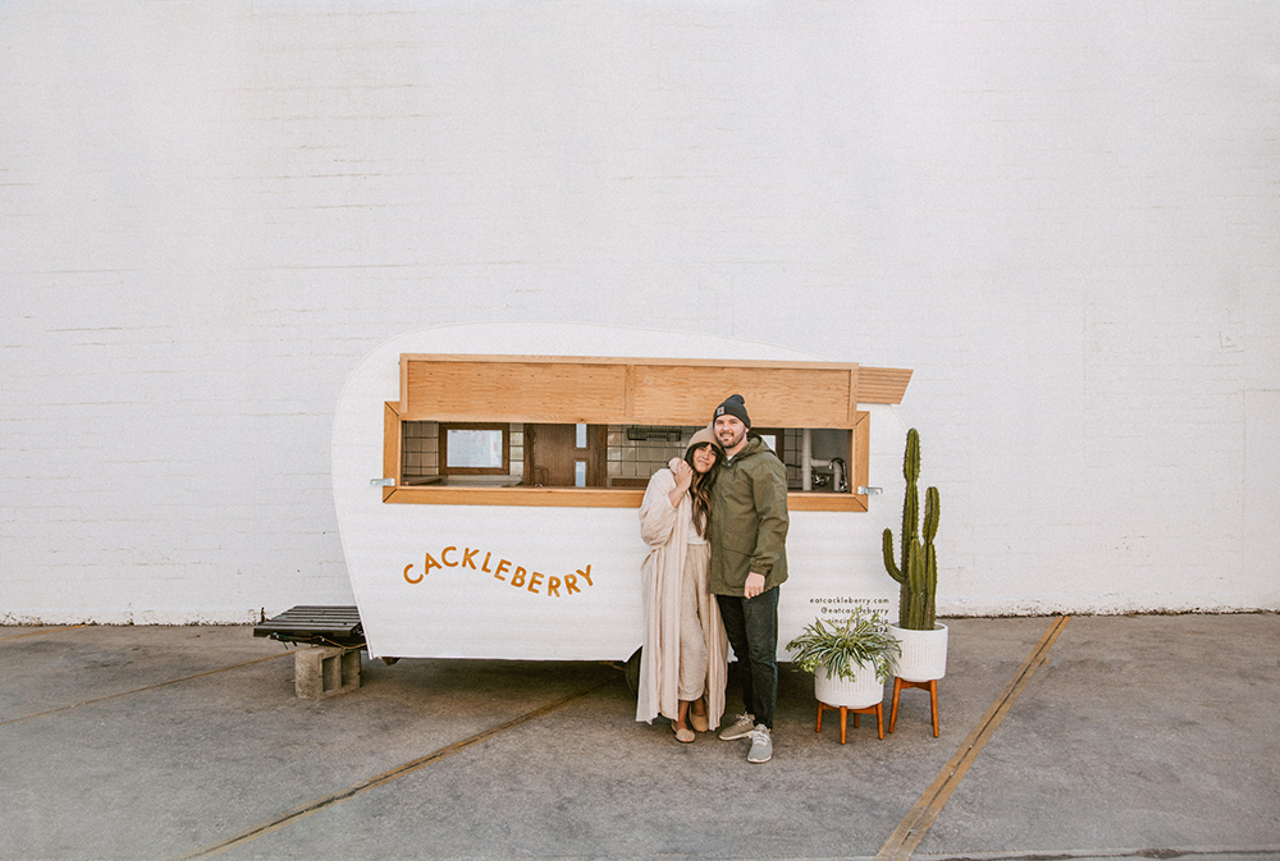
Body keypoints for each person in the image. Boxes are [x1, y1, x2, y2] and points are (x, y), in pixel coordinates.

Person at [708, 394, 789, 764]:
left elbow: (775, 520)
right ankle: (750, 714)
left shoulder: (764, 465)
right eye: (720, 423)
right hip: (726, 577)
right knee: (741, 652)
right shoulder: (721, 464)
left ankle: (764, 728)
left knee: (761, 654)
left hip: (756, 578)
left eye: (732, 423)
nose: (725, 428)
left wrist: (760, 568)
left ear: (746, 427)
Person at [636, 427, 730, 743]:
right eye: (701, 449)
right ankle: (681, 715)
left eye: (713, 451)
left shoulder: (714, 486)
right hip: (673, 568)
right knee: (692, 642)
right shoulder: (665, 479)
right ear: (690, 452)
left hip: (706, 565)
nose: (706, 455)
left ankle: (700, 699)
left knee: (711, 639)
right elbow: (651, 531)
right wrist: (681, 487)